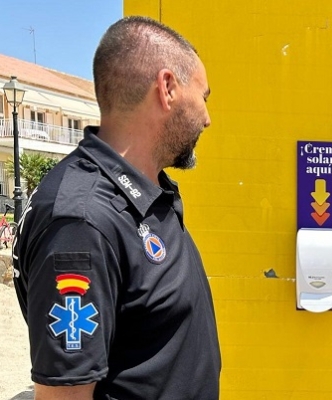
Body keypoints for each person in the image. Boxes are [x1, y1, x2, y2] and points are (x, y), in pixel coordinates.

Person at [12, 16, 220, 400]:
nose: (207, 118)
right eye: (203, 97)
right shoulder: (82, 220)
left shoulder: (146, 193)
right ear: (168, 87)